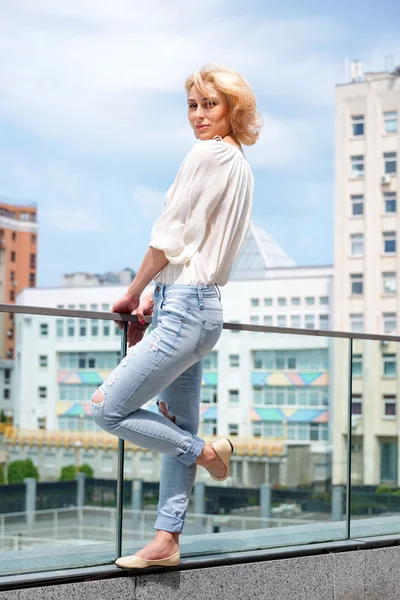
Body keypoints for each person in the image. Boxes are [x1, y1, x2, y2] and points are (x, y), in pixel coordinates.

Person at [91, 63, 262, 569]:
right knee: (177, 423)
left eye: (211, 104)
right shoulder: (240, 163)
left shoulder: (207, 153)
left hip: (186, 309)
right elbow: (196, 245)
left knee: (106, 409)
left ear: (234, 108)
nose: (199, 115)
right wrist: (154, 297)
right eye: (192, 105)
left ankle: (210, 454)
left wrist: (134, 291)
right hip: (199, 307)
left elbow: (170, 235)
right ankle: (166, 541)